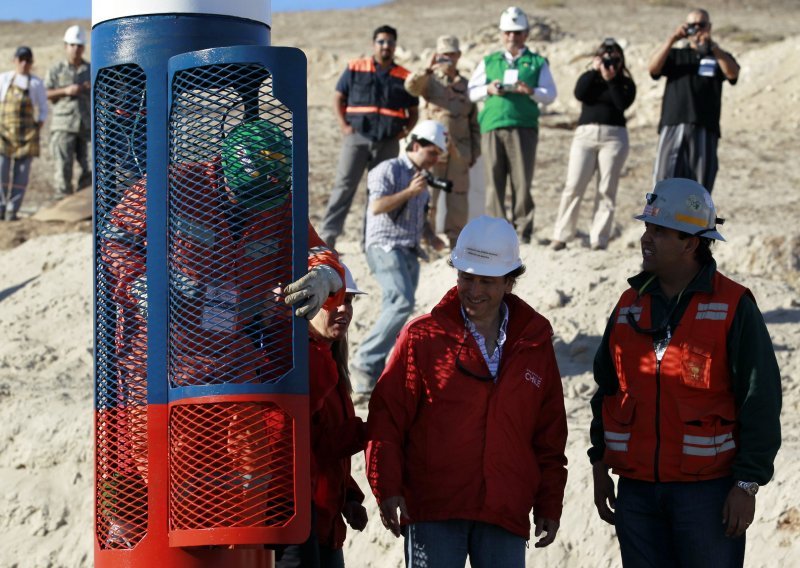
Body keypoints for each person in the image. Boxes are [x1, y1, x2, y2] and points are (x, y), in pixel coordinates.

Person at [589, 178, 782, 567]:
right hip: (637, 493)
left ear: (691, 242)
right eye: (647, 227)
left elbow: (760, 398)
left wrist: (747, 484)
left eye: (659, 230)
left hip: (706, 495)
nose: (646, 238)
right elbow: (606, 389)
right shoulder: (628, 305)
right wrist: (598, 464)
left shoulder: (734, 306)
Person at [366, 215, 568, 567]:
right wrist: (387, 486)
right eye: (466, 278)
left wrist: (549, 502)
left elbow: (549, 434)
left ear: (509, 282)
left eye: (486, 281)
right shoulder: (421, 338)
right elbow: (387, 419)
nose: (474, 290)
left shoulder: (535, 344)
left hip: (505, 510)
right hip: (434, 509)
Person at [276, 265, 368, 568]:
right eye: (332, 298)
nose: (343, 308)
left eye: (349, 300)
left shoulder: (331, 363)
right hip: (301, 523)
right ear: (309, 299)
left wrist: (349, 497)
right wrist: (365, 430)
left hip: (325, 525)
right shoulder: (303, 364)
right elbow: (304, 448)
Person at [350, 120, 447, 395]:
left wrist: (432, 237)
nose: (435, 160)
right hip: (384, 246)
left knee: (398, 307)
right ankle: (364, 361)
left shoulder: (421, 181)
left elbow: (420, 216)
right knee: (402, 302)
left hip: (409, 250)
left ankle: (375, 368)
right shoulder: (388, 169)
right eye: (432, 153)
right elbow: (378, 206)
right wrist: (409, 192)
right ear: (415, 146)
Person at [318, 25, 420, 250]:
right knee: (344, 186)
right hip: (357, 137)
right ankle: (328, 238)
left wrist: (404, 132)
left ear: (395, 46)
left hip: (388, 141)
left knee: (379, 190)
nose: (386, 46)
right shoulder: (355, 67)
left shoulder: (404, 76)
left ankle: (371, 241)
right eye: (381, 42)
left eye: (390, 42)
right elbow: (338, 97)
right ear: (374, 44)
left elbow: (414, 110)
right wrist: (343, 125)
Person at [468, 6, 557, 244]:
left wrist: (531, 91)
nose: (512, 37)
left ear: (526, 34)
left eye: (517, 32)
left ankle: (523, 231)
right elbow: (471, 92)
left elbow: (550, 94)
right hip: (492, 126)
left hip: (523, 127)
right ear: (501, 34)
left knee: (522, 181)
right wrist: (487, 89)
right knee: (494, 183)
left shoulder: (537, 62)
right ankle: (497, 233)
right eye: (508, 32)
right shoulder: (489, 61)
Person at [550, 38, 635, 252]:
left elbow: (621, 104)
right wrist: (594, 71)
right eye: (606, 58)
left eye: (614, 58)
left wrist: (612, 79)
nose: (610, 63)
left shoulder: (625, 83)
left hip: (614, 137)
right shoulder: (590, 79)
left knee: (606, 188)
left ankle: (599, 238)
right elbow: (579, 93)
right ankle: (561, 235)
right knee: (574, 185)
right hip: (585, 136)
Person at [649, 9, 739, 193]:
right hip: (673, 123)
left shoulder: (718, 56)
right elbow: (653, 69)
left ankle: (695, 220)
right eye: (692, 25)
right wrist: (672, 39)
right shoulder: (675, 55)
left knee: (699, 186)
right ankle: (659, 220)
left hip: (705, 126)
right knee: (663, 181)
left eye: (701, 25)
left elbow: (733, 73)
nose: (697, 29)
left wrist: (712, 46)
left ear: (710, 27)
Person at [404, 35, 481, 248]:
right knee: (428, 194)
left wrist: (474, 152)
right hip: (432, 150)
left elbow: (474, 122)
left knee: (458, 198)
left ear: (459, 55)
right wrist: (427, 70)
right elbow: (411, 87)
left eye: (452, 54)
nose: (449, 58)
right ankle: (425, 239)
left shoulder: (467, 85)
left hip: (460, 150)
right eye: (444, 54)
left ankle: (456, 240)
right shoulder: (429, 81)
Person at [0, 46, 48, 221]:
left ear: (31, 63)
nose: (24, 63)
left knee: (21, 175)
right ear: (14, 60)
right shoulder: (3, 79)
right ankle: (0, 207)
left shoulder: (36, 83)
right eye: (21, 59)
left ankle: (12, 210)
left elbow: (43, 109)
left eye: (27, 60)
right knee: (1, 170)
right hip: (4, 134)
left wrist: (36, 128)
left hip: (27, 136)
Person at [46, 24, 92, 200]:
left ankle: (82, 202)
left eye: (79, 46)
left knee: (90, 164)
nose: (76, 49)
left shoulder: (90, 69)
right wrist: (65, 91)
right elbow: (45, 93)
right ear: (65, 46)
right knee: (63, 166)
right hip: (63, 125)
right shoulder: (56, 69)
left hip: (86, 125)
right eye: (72, 45)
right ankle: (62, 202)